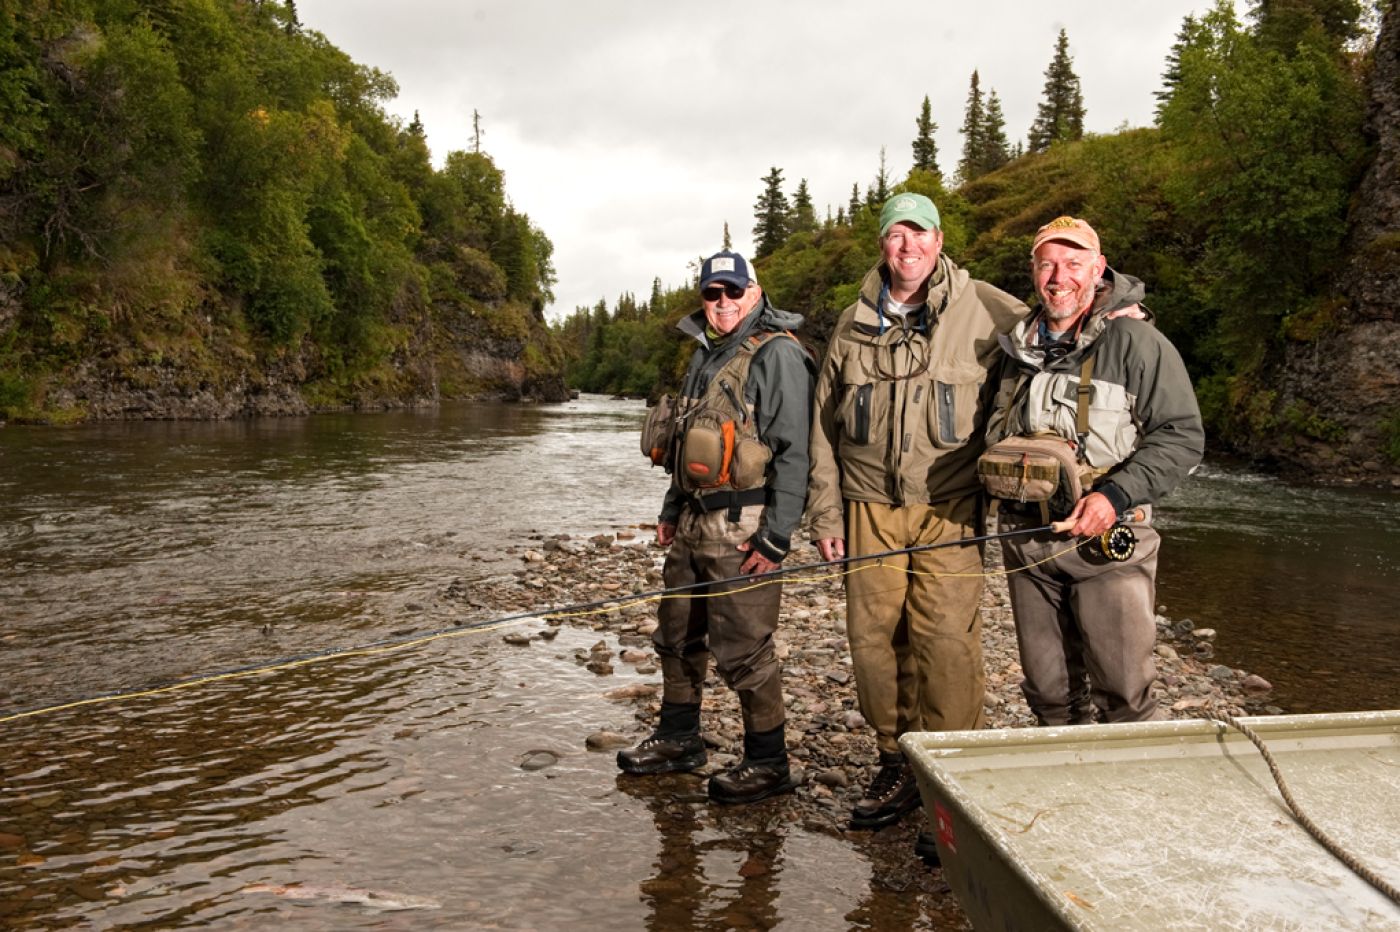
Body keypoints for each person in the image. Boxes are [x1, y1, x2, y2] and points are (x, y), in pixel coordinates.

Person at [806, 193, 1028, 835]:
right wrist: (826, 516)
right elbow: (822, 428)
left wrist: (1121, 311)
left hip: (951, 511)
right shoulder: (852, 323)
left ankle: (953, 778)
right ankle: (896, 758)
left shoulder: (986, 307)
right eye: (897, 235)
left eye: (920, 234)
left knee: (946, 644)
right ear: (882, 244)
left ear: (939, 241)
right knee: (876, 644)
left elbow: (1060, 330)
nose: (909, 247)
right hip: (867, 509)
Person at [984, 216, 1204, 726]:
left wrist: (1114, 496)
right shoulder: (1014, 348)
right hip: (1026, 539)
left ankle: (1133, 802)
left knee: (1125, 696)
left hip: (1108, 540)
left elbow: (1182, 436)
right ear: (1034, 272)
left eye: (1074, 264)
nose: (1060, 276)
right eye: (1048, 264)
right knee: (1049, 695)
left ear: (1098, 268)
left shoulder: (1136, 342)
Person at [618, 249, 814, 804]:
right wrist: (671, 508)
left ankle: (769, 762)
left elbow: (796, 454)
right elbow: (687, 440)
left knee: (745, 647)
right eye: (712, 293)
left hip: (744, 522)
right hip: (694, 521)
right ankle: (680, 738)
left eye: (733, 291)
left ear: (754, 293)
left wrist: (776, 537)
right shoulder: (705, 353)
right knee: (677, 632)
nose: (722, 303)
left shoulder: (778, 356)